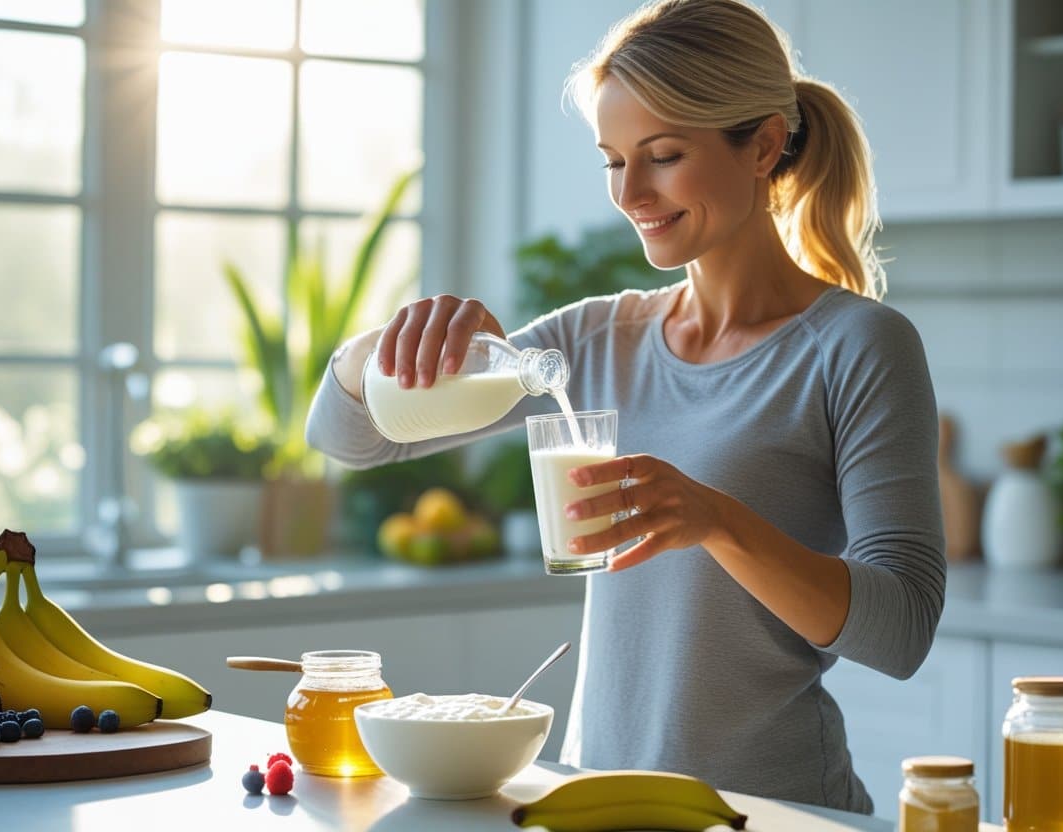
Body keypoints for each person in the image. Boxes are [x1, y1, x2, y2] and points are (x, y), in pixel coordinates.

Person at [305, 0, 944, 814]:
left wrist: (715, 518)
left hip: (776, 811)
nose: (631, 192)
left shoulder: (859, 347)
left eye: (664, 155)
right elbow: (351, 441)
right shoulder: (597, 337)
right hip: (596, 801)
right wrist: (377, 353)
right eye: (613, 161)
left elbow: (902, 631)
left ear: (764, 145)